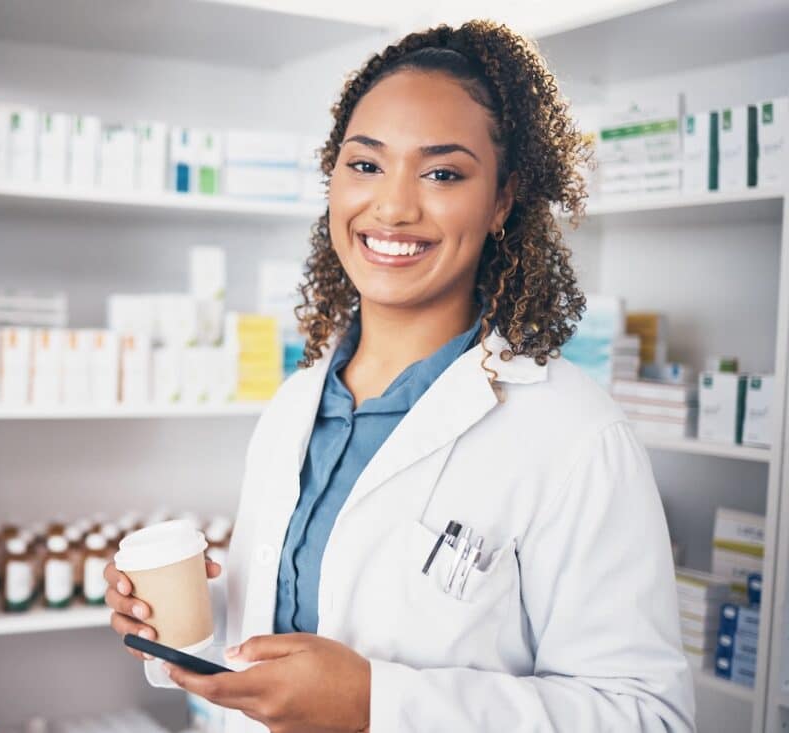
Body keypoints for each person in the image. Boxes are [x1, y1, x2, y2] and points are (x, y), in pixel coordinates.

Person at [106, 20, 695, 733]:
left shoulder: (574, 434)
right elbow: (298, 624)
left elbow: (648, 715)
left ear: (503, 199)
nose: (391, 206)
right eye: (365, 165)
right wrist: (187, 618)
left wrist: (375, 704)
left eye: (442, 172)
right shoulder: (296, 406)